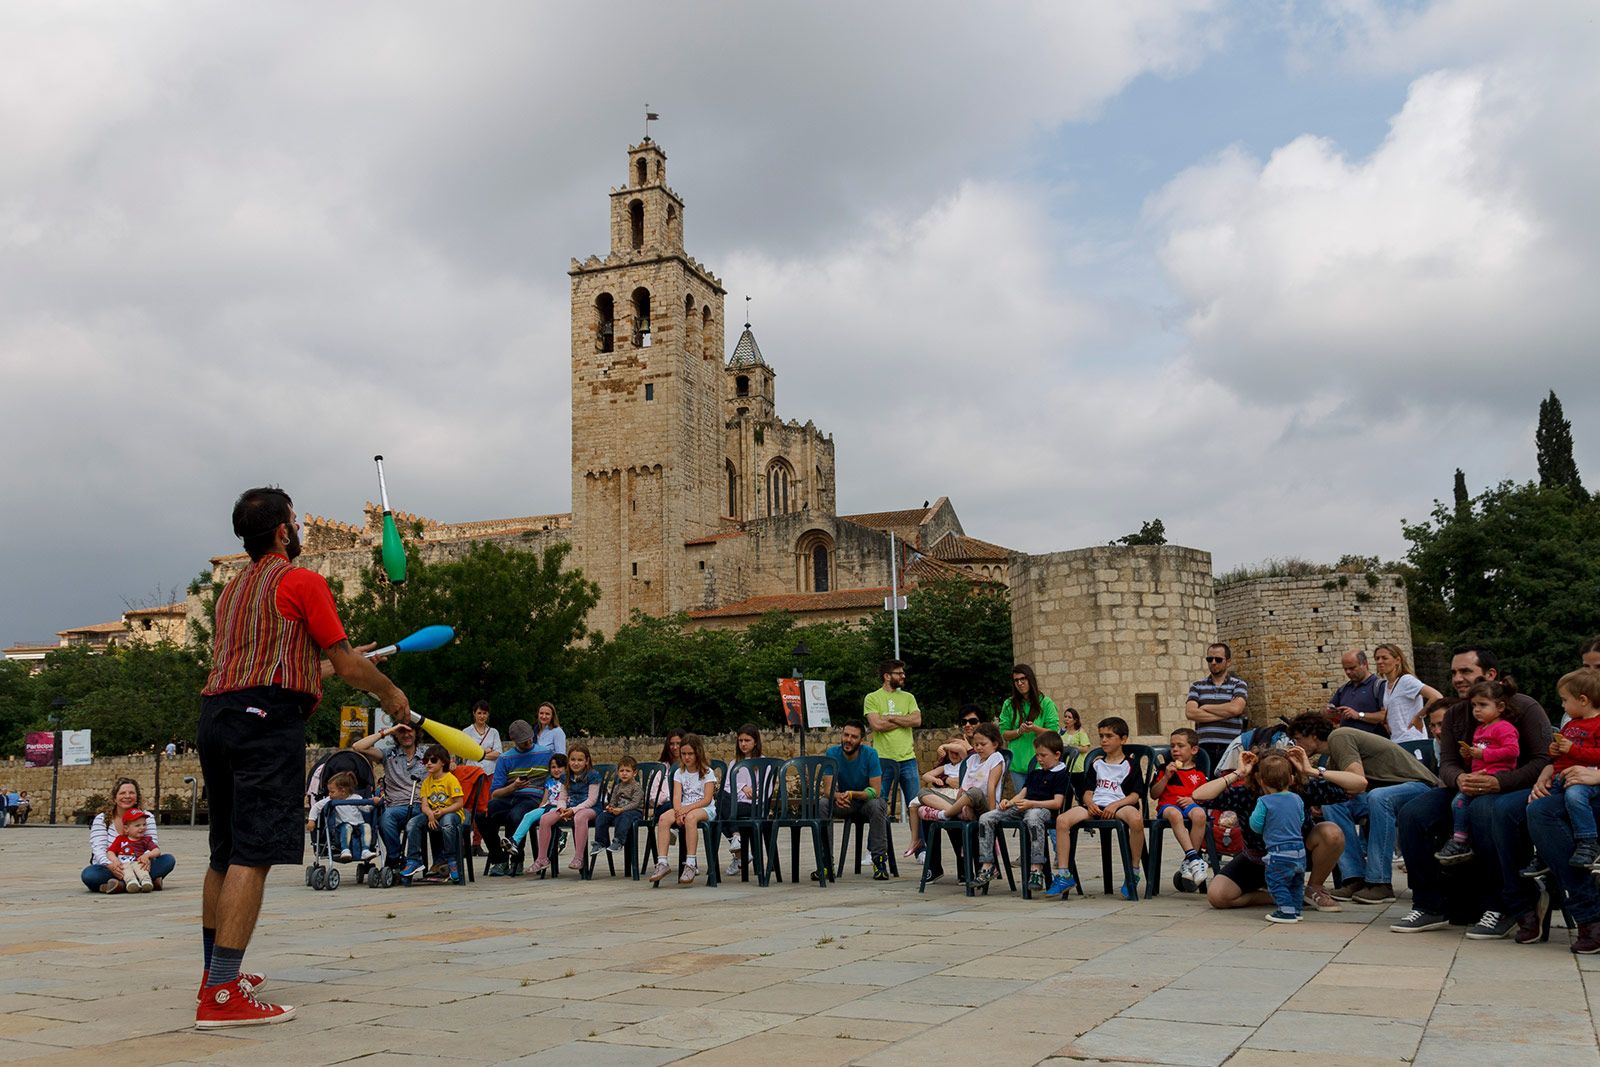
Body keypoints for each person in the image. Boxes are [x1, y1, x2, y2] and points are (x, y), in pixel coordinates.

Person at [197, 486, 409, 1028]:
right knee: (254, 853)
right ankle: (221, 997)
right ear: (282, 530)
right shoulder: (302, 580)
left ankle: (214, 975)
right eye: (295, 520)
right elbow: (350, 669)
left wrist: (341, 663)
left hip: (217, 717)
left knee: (224, 852)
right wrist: (390, 696)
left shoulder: (231, 592)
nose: (299, 528)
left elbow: (279, 667)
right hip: (265, 723)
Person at [1392, 645, 1551, 939]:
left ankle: (1502, 905)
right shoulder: (1455, 715)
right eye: (1454, 672)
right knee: (1412, 814)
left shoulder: (1525, 707)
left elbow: (1543, 759)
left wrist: (1501, 783)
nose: (1457, 678)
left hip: (1517, 787)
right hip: (1470, 786)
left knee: (1487, 810)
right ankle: (1429, 905)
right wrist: (1460, 778)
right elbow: (1448, 764)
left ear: (1490, 675)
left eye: (1466, 671)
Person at [1192, 741, 1364, 914]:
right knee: (1218, 896)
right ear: (1258, 778)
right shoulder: (1245, 794)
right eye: (1268, 776)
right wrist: (1238, 773)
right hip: (1258, 860)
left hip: (1297, 856)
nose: (1275, 781)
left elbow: (1359, 784)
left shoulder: (1302, 790)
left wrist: (1311, 771)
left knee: (1331, 832)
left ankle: (1314, 888)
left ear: (1291, 777)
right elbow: (1199, 796)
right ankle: (1279, 895)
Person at [1285, 714, 1437, 908]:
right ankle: (1354, 877)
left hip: (1419, 787)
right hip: (1384, 793)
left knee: (1379, 798)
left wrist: (1312, 771)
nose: (1296, 744)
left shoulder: (1339, 736)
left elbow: (1358, 779)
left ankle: (1379, 882)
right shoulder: (1333, 757)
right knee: (1334, 804)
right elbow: (1343, 792)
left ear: (1313, 735)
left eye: (1298, 738)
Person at [1526, 673, 1600, 951]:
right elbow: (1558, 758)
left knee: (1557, 805)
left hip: (1587, 788)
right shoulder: (1574, 722)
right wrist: (1546, 771)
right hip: (1569, 782)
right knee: (1536, 807)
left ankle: (1587, 913)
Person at [1054, 717, 1147, 900]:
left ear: (1123, 739)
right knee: (1062, 820)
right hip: (1095, 805)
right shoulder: (1097, 763)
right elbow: (1087, 791)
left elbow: (1136, 795)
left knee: (1136, 820)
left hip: (1120, 804)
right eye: (1101, 736)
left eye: (1109, 736)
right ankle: (1064, 874)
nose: (1104, 740)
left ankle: (1133, 872)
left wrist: (1116, 804)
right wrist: (1089, 803)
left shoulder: (1130, 764)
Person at [1434, 679, 1520, 867]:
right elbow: (1478, 757)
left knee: (1469, 805)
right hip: (1480, 775)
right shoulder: (1480, 729)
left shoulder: (1504, 727)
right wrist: (1468, 755)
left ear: (1500, 707)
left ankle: (1461, 841)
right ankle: (1460, 839)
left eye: (1483, 705)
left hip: (1498, 776)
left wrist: (1483, 753)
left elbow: (1513, 751)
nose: (1477, 710)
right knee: (1458, 802)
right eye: (1474, 706)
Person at [978, 729, 1067, 889]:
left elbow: (1057, 803)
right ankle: (988, 865)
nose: (1039, 759)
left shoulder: (1061, 774)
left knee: (1032, 817)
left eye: (1043, 755)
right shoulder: (1035, 773)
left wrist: (1032, 804)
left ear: (1057, 754)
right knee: (986, 818)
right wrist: (1009, 803)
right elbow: (1022, 794)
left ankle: (1036, 869)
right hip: (1025, 806)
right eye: (1037, 755)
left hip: (1042, 810)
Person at [865, 660, 923, 861]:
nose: (903, 676)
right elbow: (876, 725)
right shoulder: (872, 698)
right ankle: (874, 850)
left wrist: (890, 718)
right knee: (878, 804)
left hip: (908, 759)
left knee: (917, 804)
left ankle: (921, 849)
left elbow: (916, 720)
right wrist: (901, 720)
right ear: (887, 676)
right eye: (899, 673)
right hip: (882, 760)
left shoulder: (908, 697)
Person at [353, 720, 427, 870]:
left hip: (421, 805)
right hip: (395, 806)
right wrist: (387, 732)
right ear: (396, 735)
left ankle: (395, 860)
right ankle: (396, 858)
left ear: (416, 732)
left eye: (410, 730)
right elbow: (357, 746)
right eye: (401, 731)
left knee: (388, 816)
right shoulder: (388, 754)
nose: (406, 734)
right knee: (385, 818)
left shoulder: (427, 755)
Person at [83, 779, 179, 893]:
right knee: (89, 874)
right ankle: (143, 882)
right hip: (113, 867)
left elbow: (152, 845)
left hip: (140, 865)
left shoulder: (147, 816)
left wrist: (146, 857)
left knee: (168, 860)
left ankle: (120, 885)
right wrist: (111, 865)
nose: (127, 796)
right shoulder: (102, 819)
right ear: (114, 798)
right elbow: (99, 850)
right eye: (122, 793)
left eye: (131, 793)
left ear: (137, 797)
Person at [647, 733, 719, 885]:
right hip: (684, 807)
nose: (687, 757)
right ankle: (662, 862)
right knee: (664, 818)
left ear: (698, 753)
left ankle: (691, 863)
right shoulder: (679, 773)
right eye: (684, 754)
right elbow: (676, 798)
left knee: (691, 818)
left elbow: (706, 799)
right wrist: (679, 811)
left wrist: (686, 811)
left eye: (690, 754)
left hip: (704, 809)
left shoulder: (707, 773)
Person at [479, 719, 548, 876]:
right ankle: (499, 858)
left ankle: (517, 859)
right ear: (514, 741)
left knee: (516, 815)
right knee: (482, 815)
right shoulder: (505, 758)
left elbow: (553, 782)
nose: (528, 743)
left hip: (532, 798)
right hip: (508, 796)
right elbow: (495, 793)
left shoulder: (545, 754)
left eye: (530, 738)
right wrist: (513, 787)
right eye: (523, 742)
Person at [825, 719, 890, 880]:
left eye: (854, 737)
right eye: (846, 735)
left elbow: (875, 791)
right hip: (845, 802)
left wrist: (852, 794)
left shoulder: (870, 754)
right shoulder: (832, 754)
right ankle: (825, 863)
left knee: (877, 805)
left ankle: (879, 861)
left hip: (866, 802)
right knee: (823, 804)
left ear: (861, 741)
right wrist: (837, 796)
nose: (848, 739)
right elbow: (827, 790)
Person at [1250, 754, 1307, 924]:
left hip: (1279, 852)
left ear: (1262, 782)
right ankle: (1296, 910)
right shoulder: (1297, 799)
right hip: (1300, 851)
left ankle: (1285, 911)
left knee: (1276, 882)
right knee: (1296, 883)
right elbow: (1301, 819)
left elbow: (1256, 825)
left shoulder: (1264, 801)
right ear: (1291, 779)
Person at [1151, 728, 1211, 888]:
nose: (1175, 750)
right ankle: (1194, 858)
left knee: (1199, 815)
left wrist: (1193, 799)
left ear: (1194, 750)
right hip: (1168, 806)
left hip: (1190, 805)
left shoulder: (1198, 773)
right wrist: (1166, 777)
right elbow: (1154, 794)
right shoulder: (1164, 769)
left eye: (1180, 746)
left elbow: (1206, 795)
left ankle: (1188, 862)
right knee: (1175, 814)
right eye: (1172, 746)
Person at [919, 722, 1004, 825]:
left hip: (984, 804)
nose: (979, 748)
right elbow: (963, 787)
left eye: (983, 744)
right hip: (965, 802)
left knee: (974, 792)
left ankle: (944, 815)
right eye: (976, 744)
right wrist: (958, 803)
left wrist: (992, 815)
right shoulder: (972, 759)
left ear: (995, 744)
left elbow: (991, 787)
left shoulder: (996, 758)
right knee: (923, 793)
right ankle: (960, 813)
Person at [400, 745, 464, 883]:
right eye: (425, 761)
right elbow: (424, 804)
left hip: (451, 813)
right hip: (433, 814)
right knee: (412, 823)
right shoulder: (426, 782)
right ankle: (413, 860)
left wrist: (443, 811)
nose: (428, 763)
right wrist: (429, 814)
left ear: (443, 762)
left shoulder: (450, 779)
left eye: (433, 760)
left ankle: (451, 861)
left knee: (447, 822)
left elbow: (459, 803)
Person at [534, 744, 601, 872]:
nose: (576, 763)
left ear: (587, 761)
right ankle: (542, 858)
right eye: (573, 760)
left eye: (580, 760)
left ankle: (579, 857)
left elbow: (591, 800)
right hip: (569, 808)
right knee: (545, 819)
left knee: (580, 817)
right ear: (568, 761)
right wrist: (561, 809)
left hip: (590, 809)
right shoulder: (565, 777)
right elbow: (562, 798)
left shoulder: (593, 775)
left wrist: (574, 810)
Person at [998, 664, 1060, 794]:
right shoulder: (1009, 704)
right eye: (1016, 680)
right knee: (1022, 803)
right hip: (1017, 763)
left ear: (1030, 679)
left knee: (1036, 801)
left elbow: (1054, 733)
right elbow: (1004, 733)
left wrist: (1035, 728)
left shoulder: (1046, 703)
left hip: (1040, 763)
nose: (1020, 683)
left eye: (1023, 679)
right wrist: (1019, 731)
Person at [1186, 643, 1249, 770]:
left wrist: (1205, 707)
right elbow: (1191, 713)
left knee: (1229, 786)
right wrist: (1226, 712)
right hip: (1205, 748)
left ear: (1228, 662)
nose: (1213, 662)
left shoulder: (1239, 685)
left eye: (1218, 659)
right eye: (1210, 659)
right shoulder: (1197, 686)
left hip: (1230, 747)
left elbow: (1236, 709)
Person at [1373, 643, 1440, 743]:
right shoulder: (1387, 685)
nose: (1380, 661)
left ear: (1397, 660)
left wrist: (1419, 716)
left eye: (1384, 658)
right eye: (1377, 658)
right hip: (1397, 740)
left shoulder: (1406, 680)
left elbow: (1436, 696)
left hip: (1412, 739)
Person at [508, 753, 568, 864]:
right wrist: (539, 809)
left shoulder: (568, 781)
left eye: (560, 767)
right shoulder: (549, 782)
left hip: (559, 808)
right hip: (547, 806)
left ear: (566, 768)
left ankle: (559, 835)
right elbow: (544, 800)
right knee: (528, 815)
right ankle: (514, 841)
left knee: (545, 818)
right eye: (553, 767)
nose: (556, 770)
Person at [305, 770, 375, 862]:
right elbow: (316, 807)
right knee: (347, 827)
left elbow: (366, 809)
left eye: (332, 792)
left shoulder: (356, 798)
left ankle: (365, 850)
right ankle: (345, 849)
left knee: (367, 827)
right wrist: (311, 820)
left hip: (359, 825)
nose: (329, 794)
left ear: (343, 791)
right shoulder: (330, 800)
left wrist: (372, 802)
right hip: (342, 826)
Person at [724, 725, 763, 877]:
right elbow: (727, 786)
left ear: (755, 742)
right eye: (740, 740)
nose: (743, 744)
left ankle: (740, 853)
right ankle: (738, 841)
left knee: (722, 810)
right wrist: (743, 787)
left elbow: (766, 787)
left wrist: (753, 792)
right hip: (736, 803)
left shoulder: (763, 762)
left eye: (747, 740)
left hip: (754, 805)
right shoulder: (734, 763)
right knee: (722, 802)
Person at [593, 756, 645, 856]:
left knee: (624, 816)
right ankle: (600, 842)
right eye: (621, 771)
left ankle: (618, 841)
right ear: (618, 772)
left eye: (628, 771)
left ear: (634, 773)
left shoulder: (636, 787)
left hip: (634, 812)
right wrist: (610, 807)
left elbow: (635, 803)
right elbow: (613, 800)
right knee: (602, 816)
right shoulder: (617, 787)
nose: (624, 773)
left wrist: (621, 809)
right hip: (619, 811)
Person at [1327, 650, 1386, 735]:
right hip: (1348, 742)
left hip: (1373, 743)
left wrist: (1358, 715)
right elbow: (1326, 713)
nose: (1348, 672)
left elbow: (1385, 716)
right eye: (1345, 669)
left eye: (1352, 668)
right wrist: (1329, 711)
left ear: (1365, 664)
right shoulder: (1343, 689)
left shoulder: (1380, 686)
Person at [106, 809, 160, 893]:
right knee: (126, 871)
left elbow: (157, 850)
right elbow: (110, 852)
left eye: (144, 824)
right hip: (123, 864)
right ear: (126, 829)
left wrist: (147, 855)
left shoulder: (145, 840)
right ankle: (132, 883)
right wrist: (115, 860)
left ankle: (146, 882)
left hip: (138, 862)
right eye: (137, 825)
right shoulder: (120, 839)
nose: (142, 828)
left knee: (142, 869)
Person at [463, 699, 501, 774]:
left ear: (488, 714)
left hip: (490, 772)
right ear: (474, 713)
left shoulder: (494, 732)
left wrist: (478, 754)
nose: (482, 716)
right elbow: (465, 753)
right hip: (471, 771)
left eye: (484, 713)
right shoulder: (466, 731)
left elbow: (497, 754)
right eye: (479, 713)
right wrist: (486, 751)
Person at [1060, 708, 1090, 772]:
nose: (1066, 719)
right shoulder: (1061, 732)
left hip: (1077, 768)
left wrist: (1071, 747)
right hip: (1063, 766)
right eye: (1065, 716)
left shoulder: (1080, 732)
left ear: (1075, 720)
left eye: (1069, 717)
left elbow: (1085, 749)